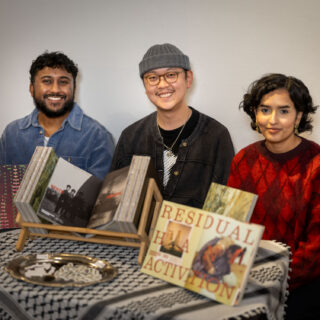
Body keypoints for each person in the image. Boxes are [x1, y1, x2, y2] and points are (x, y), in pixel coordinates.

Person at [227, 73, 320, 320]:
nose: (272, 120)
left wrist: (268, 281)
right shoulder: (242, 160)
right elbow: (228, 225)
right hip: (244, 279)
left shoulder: (317, 164)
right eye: (265, 110)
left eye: (284, 111)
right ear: (255, 114)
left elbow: (315, 251)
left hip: (300, 288)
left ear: (299, 115)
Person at [110, 43, 234, 208]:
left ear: (188, 79)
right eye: (152, 78)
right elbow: (114, 203)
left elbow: (223, 208)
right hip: (140, 234)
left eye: (171, 75)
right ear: (145, 86)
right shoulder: (130, 137)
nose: (162, 85)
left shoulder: (216, 135)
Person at [0, 51, 114, 180]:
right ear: (32, 89)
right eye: (47, 81)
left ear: (74, 89)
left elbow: (100, 197)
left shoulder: (98, 137)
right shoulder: (11, 134)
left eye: (63, 82)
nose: (55, 89)